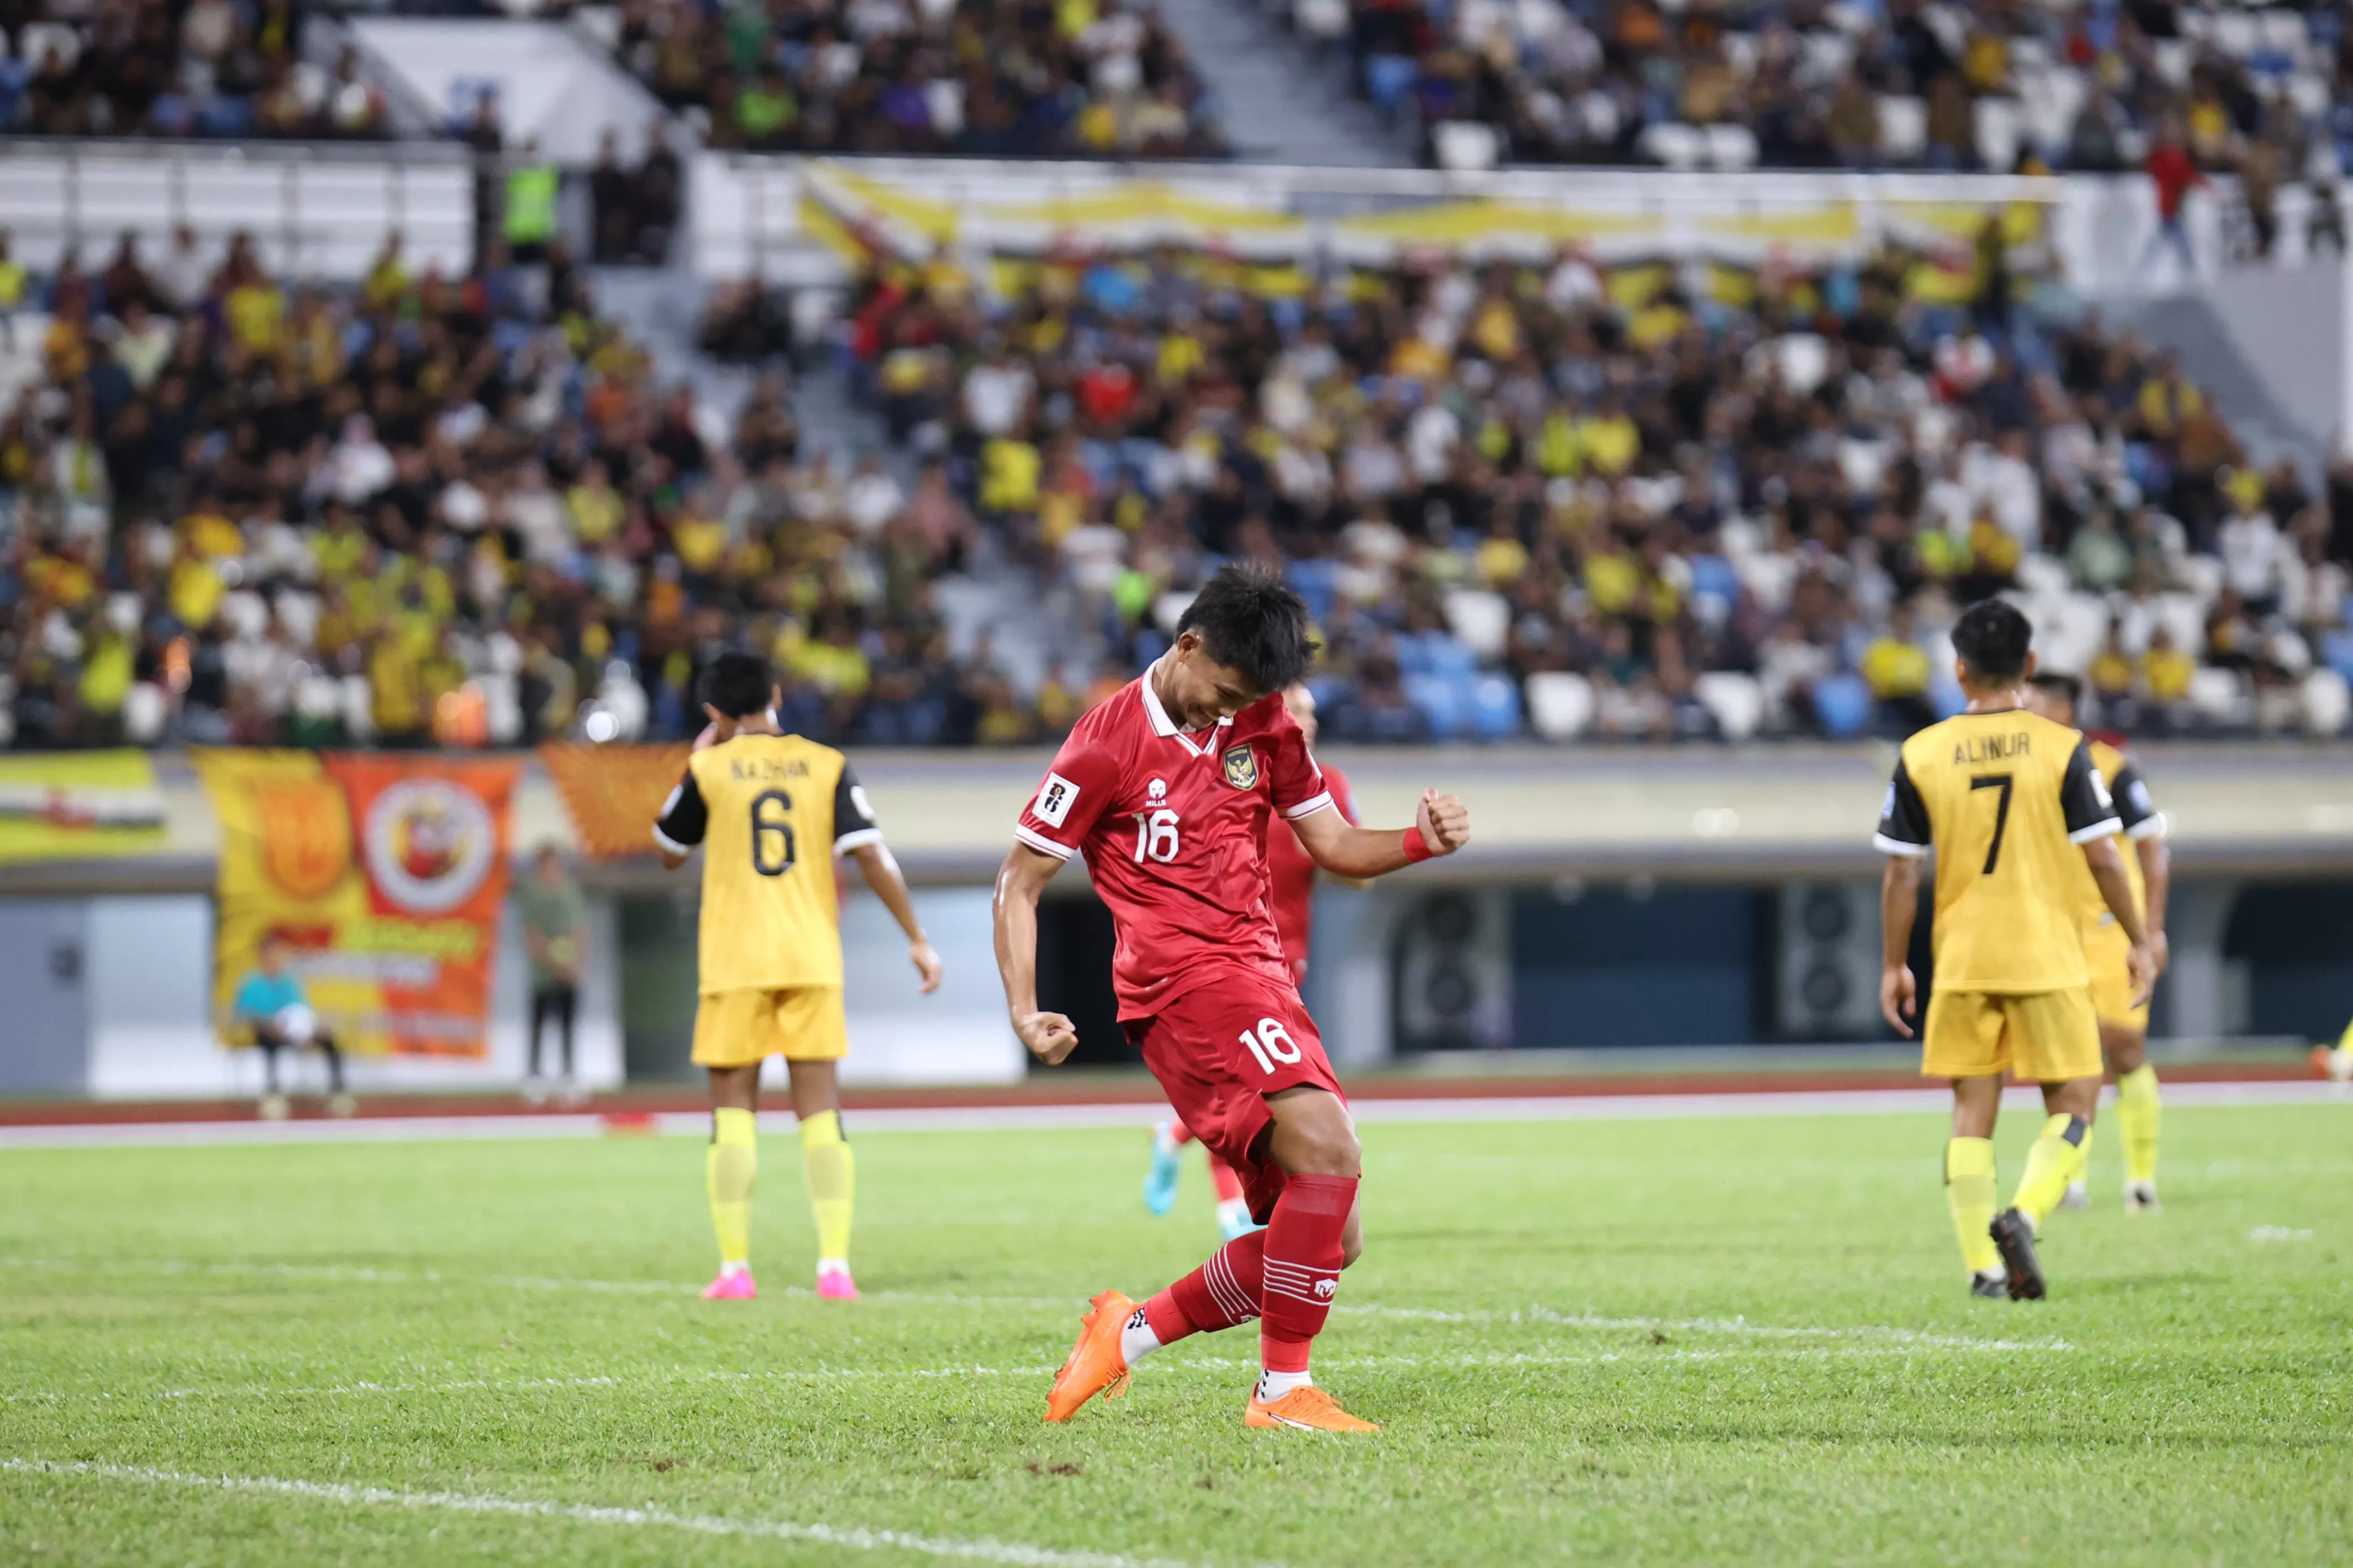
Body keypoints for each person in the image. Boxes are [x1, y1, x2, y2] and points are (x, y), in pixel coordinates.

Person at [994, 564, 1470, 1433]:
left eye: (1248, 697)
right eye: (1223, 690)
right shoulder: (1104, 742)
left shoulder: (1267, 721)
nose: (1230, 711)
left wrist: (1416, 841)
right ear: (1188, 644)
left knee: (1331, 1231)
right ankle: (1282, 1392)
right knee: (1329, 1146)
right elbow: (1018, 881)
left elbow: (1332, 844)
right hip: (1180, 985)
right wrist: (1025, 1007)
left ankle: (1126, 1333)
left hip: (1261, 978)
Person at [1876, 599, 2152, 1302]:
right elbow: (2104, 859)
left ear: (1957, 666)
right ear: (2027, 667)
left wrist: (1893, 963)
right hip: (2045, 952)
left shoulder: (1920, 751)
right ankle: (2024, 1212)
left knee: (1972, 1105)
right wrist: (2138, 937)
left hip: (1963, 955)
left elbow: (1900, 870)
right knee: (2076, 1100)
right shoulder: (2064, 749)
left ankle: (1980, 1267)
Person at [655, 651, 943, 1303]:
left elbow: (668, 851)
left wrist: (703, 751)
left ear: (714, 713)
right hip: (810, 958)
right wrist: (917, 939)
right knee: (820, 1114)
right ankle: (834, 1267)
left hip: (733, 962)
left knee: (732, 1115)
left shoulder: (707, 767)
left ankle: (734, 1270)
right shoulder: (826, 763)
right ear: (776, 694)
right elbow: (869, 851)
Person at [1144, 681, 1360, 1242]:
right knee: (1249, 1091)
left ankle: (1172, 1136)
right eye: (1295, 709)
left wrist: (1354, 852)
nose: (1307, 720)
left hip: (1290, 957)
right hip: (1227, 957)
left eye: (1312, 711)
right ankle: (1232, 1211)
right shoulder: (1232, 773)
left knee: (1256, 1091)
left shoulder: (1328, 785)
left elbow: (1350, 868)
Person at [2024, 674, 2171, 1211]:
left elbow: (2152, 848)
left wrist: (2150, 930)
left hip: (2112, 930)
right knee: (2064, 1057)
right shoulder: (2025, 771)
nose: (2021, 710)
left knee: (2124, 1045)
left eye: (2031, 702)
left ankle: (2140, 1178)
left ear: (2062, 709)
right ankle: (2071, 1179)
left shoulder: (2112, 767)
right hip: (2053, 930)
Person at [230, 934, 352, 1121]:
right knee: (269, 1043)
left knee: (328, 1039)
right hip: (267, 1031)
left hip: (292, 1031)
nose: (276, 958)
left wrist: (310, 1028)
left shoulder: (289, 982)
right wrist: (271, 1024)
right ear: (262, 955)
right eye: (272, 953)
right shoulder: (251, 983)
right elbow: (245, 1014)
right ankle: (273, 1094)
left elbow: (301, 1010)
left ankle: (338, 1092)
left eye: (279, 953)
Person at [516, 844, 587, 1107]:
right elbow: (532, 935)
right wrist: (555, 965)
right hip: (543, 975)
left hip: (569, 974)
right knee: (539, 1026)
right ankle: (535, 1078)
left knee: (568, 1026)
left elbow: (579, 929)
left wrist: (576, 965)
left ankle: (569, 1076)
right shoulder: (532, 894)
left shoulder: (570, 890)